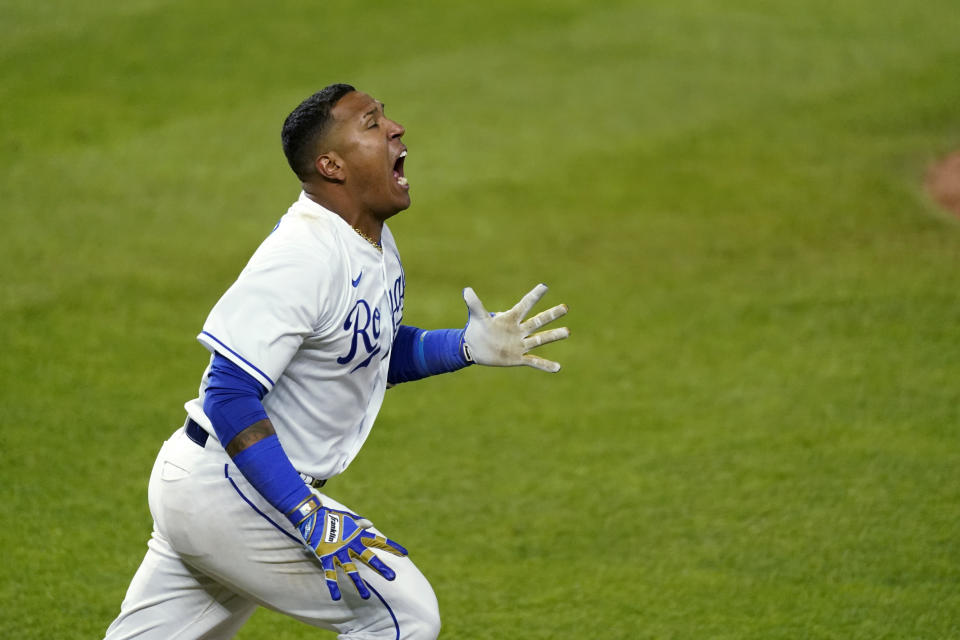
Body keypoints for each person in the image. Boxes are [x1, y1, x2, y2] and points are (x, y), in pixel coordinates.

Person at [103, 83, 570, 640]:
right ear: (331, 165)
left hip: (222, 485)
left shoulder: (369, 239)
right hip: (233, 487)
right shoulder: (302, 255)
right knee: (404, 615)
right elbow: (227, 394)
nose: (396, 129)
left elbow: (364, 350)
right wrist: (305, 511)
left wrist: (465, 347)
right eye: (372, 124)